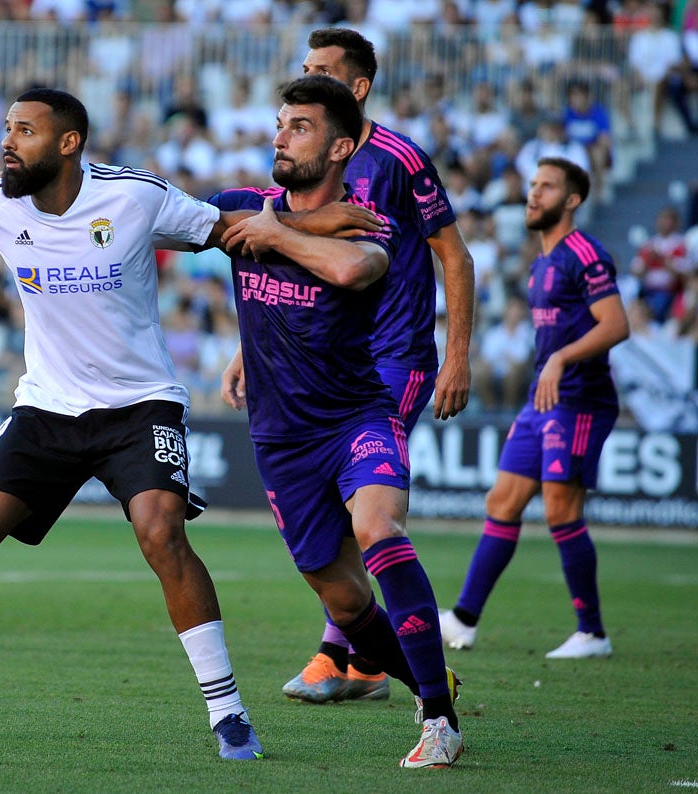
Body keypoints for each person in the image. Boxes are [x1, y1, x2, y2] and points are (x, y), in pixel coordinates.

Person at [0, 87, 269, 760]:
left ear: (67, 143)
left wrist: (306, 236)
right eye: (7, 128)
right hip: (46, 408)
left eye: (25, 130)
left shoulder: (134, 197)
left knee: (160, 531)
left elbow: (227, 234)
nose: (9, 140)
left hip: (139, 404)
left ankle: (227, 713)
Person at [213, 75, 463, 768]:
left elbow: (355, 269)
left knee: (378, 527)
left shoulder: (367, 222)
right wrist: (272, 224)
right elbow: (166, 219)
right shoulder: (240, 207)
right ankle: (427, 680)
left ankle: (438, 720)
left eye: (299, 127)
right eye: (279, 123)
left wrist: (271, 230)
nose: (279, 136)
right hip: (279, 438)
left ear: (340, 147)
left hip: (356, 415)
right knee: (346, 600)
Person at [280, 26, 476, 708]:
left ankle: (344, 655)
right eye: (304, 68)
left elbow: (454, 255)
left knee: (367, 515)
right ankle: (360, 663)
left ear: (356, 87)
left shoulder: (396, 159)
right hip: (327, 362)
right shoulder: (305, 156)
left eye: (323, 70)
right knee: (339, 514)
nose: (308, 78)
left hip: (394, 357)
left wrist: (455, 357)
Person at [440, 157, 630, 659]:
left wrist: (561, 359)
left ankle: (592, 633)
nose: (533, 194)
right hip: (541, 402)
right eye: (532, 185)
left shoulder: (584, 252)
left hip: (579, 401)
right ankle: (463, 619)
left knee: (560, 509)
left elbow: (615, 324)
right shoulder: (541, 262)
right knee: (502, 502)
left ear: (572, 200)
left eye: (547, 187)